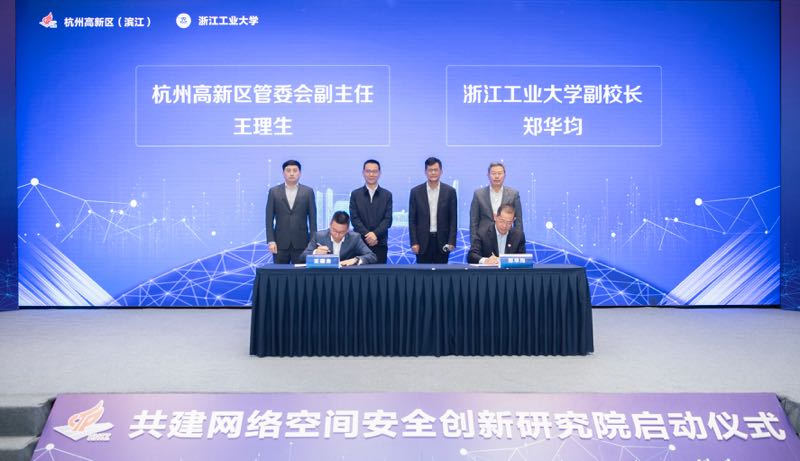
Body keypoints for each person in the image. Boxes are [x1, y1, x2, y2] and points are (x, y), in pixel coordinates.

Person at [265, 160, 317, 264]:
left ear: (300, 173)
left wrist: (313, 243)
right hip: (280, 243)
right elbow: (269, 218)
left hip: (302, 243)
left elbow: (312, 220)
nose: (292, 173)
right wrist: (271, 240)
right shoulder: (274, 192)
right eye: (288, 170)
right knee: (279, 272)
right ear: (283, 173)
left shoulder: (308, 192)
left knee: (301, 273)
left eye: (295, 170)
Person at [408, 157, 457, 264]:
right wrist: (414, 242)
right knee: (423, 273)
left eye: (436, 170)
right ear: (425, 172)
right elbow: (412, 220)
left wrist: (451, 241)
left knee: (441, 273)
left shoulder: (450, 192)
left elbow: (453, 219)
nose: (433, 173)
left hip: (443, 242)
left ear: (441, 171)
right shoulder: (415, 192)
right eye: (430, 170)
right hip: (422, 242)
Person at [469, 162, 523, 247]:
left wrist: (518, 243)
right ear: (488, 175)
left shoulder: (513, 194)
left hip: (506, 238)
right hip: (483, 239)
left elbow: (518, 221)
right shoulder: (478, 194)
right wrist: (474, 244)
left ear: (504, 175)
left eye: (500, 173)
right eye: (493, 173)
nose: (497, 176)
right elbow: (474, 222)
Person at [349, 159, 393, 264]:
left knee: (379, 273)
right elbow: (354, 219)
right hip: (359, 244)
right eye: (368, 171)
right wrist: (368, 235)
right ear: (363, 173)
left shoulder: (387, 195)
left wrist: (375, 234)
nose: (371, 174)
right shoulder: (355, 194)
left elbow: (388, 220)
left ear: (379, 173)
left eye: (374, 171)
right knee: (359, 273)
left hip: (380, 243)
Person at [301, 211, 377, 266]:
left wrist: (355, 260)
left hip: (346, 275)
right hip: (324, 273)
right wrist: (315, 252)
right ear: (330, 225)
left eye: (341, 232)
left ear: (347, 230)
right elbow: (303, 256)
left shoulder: (354, 238)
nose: (337, 235)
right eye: (334, 230)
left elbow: (372, 256)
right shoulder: (319, 236)